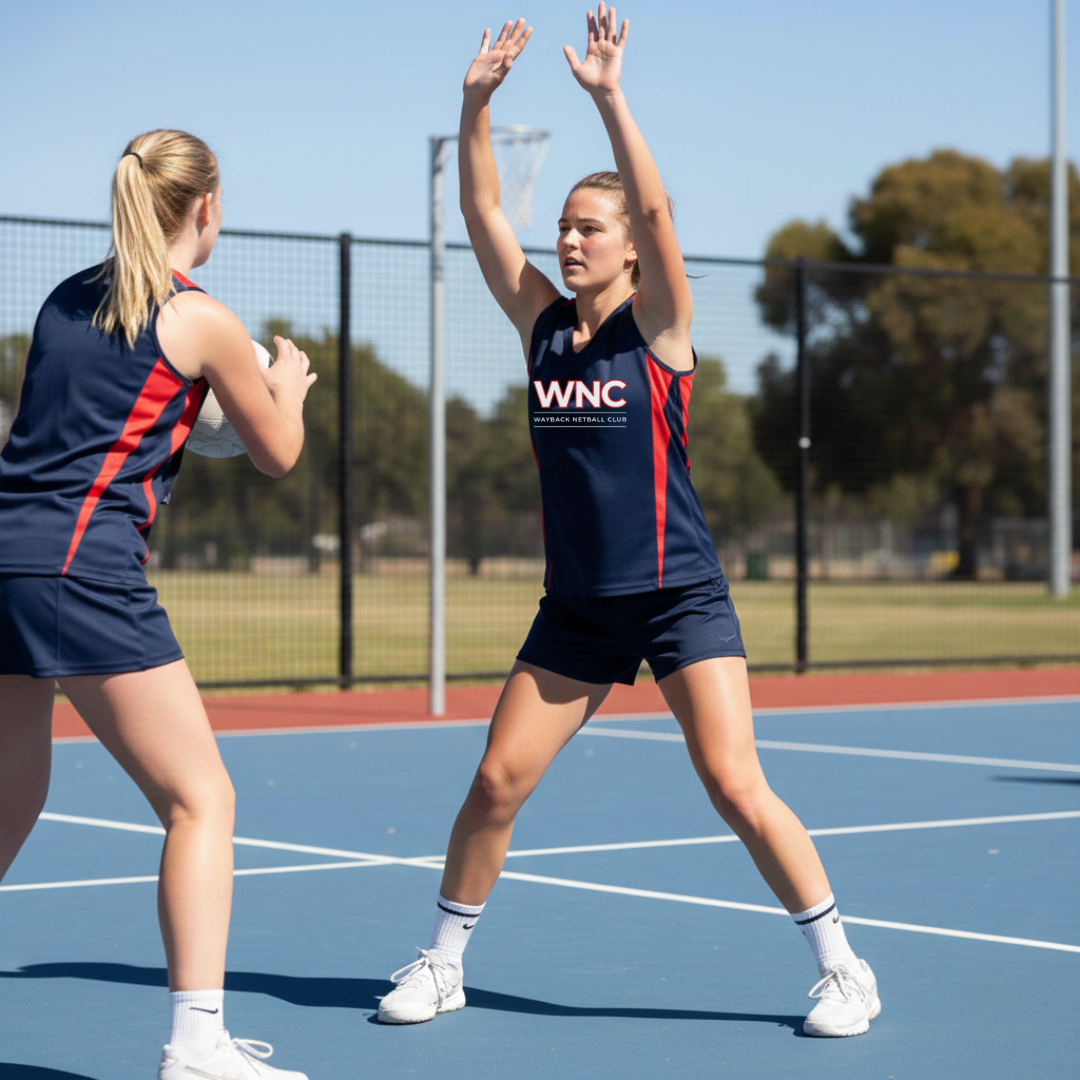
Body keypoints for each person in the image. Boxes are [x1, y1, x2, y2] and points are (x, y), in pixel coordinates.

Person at [377, 8, 879, 1039]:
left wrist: (610, 98)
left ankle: (843, 969)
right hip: (578, 610)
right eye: (562, 226)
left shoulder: (661, 331)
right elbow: (479, 211)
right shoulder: (543, 326)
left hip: (678, 597)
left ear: (632, 254)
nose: (567, 239)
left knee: (736, 785)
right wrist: (473, 104)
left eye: (585, 228)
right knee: (496, 780)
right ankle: (441, 961)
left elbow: (653, 206)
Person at [0, 130, 315, 1079]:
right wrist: (285, 386)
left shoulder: (63, 301)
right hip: (82, 573)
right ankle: (196, 1044)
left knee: (11, 796)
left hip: (7, 561)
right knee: (200, 799)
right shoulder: (202, 320)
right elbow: (277, 453)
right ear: (207, 209)